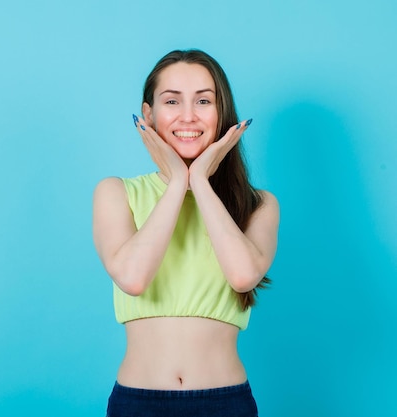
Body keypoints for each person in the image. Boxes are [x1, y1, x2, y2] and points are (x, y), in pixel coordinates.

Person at [92, 49, 280, 417]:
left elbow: (243, 276)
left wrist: (201, 184)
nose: (189, 115)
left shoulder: (258, 204)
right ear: (148, 115)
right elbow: (132, 277)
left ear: (222, 114)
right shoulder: (116, 193)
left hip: (226, 402)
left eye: (204, 101)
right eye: (172, 100)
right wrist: (178, 180)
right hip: (138, 402)